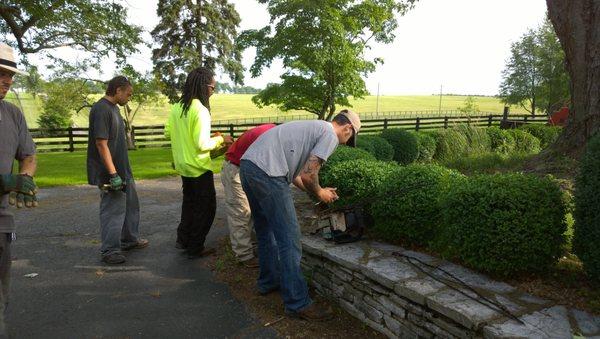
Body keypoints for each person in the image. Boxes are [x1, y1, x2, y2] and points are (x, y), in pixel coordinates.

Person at [240, 110, 361, 321]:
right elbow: (309, 174)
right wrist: (320, 192)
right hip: (268, 173)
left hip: (248, 167)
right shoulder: (330, 134)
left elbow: (297, 176)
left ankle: (268, 282)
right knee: (290, 239)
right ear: (347, 128)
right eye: (349, 137)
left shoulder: (313, 128)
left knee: (265, 231)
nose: (345, 142)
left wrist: (316, 192)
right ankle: (297, 303)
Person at [164, 67, 233, 259]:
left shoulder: (177, 106)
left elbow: (168, 133)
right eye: (213, 88)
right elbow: (202, 144)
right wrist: (221, 140)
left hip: (183, 166)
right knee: (206, 209)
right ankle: (195, 248)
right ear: (204, 87)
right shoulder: (200, 110)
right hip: (199, 167)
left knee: (189, 205)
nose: (213, 92)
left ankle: (183, 239)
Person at [87, 76, 148, 265]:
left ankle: (129, 239)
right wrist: (113, 174)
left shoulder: (114, 109)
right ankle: (110, 250)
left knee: (131, 204)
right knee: (112, 210)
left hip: (123, 169)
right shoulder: (101, 109)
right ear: (118, 90)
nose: (129, 98)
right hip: (109, 172)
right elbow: (101, 143)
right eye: (128, 94)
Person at [0, 42, 38, 337]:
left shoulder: (12, 114)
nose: (7, 80)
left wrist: (24, 178)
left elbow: (28, 155)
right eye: (0, 73)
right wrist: (3, 181)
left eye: (10, 75)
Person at [221, 123, 276, 268]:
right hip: (235, 169)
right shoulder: (268, 137)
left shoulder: (273, 132)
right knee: (241, 213)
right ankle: (244, 255)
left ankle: (251, 247)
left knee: (253, 210)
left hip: (246, 168)